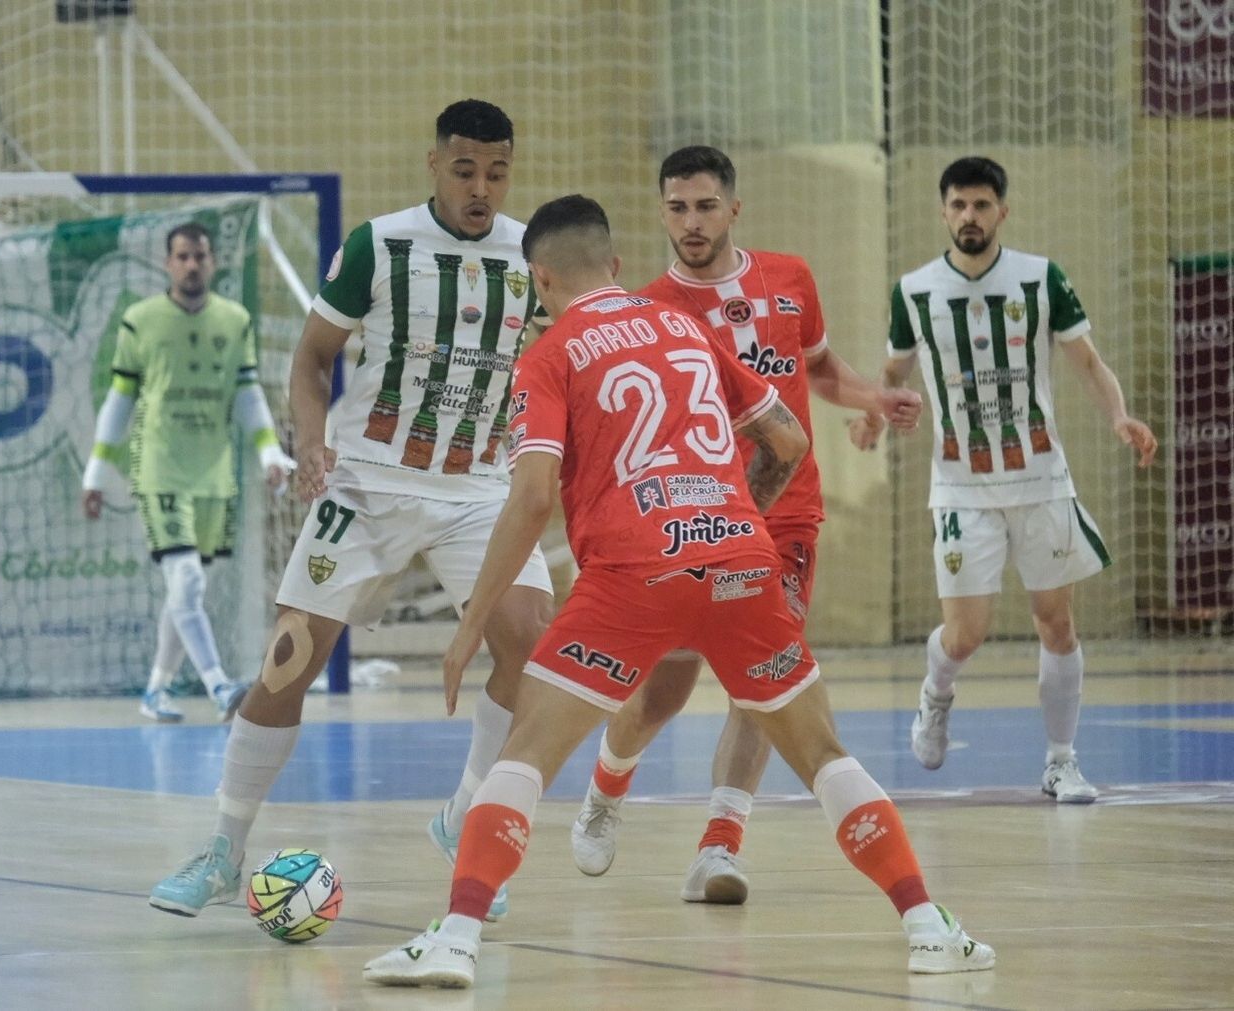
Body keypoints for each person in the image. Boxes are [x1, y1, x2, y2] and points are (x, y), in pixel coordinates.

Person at [364, 194, 995, 988]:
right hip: (740, 558)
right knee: (825, 755)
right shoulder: (686, 326)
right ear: (619, 266)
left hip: (631, 571)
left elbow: (530, 497)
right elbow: (792, 440)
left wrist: (469, 628)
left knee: (523, 757)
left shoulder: (551, 353)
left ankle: (455, 938)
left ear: (540, 278)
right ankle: (929, 925)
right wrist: (734, 516)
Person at [147, 99, 553, 921]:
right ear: (434, 164)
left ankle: (464, 817)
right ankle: (225, 848)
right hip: (369, 480)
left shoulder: (531, 255)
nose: (483, 188)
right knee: (289, 658)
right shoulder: (378, 244)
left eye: (498, 172)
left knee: (534, 655)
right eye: (467, 170)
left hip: (478, 490)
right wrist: (311, 443)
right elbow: (312, 360)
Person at [567, 146, 923, 904]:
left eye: (703, 206)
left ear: (734, 208)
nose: (690, 222)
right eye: (676, 207)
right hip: (689, 515)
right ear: (661, 211)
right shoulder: (647, 307)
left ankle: (719, 848)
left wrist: (871, 400)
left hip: (784, 511)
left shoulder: (789, 278)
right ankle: (604, 791)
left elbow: (818, 368)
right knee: (662, 693)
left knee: (761, 683)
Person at [848, 156, 1156, 802]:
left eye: (981, 205)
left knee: (1057, 623)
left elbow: (1089, 361)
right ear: (943, 212)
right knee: (965, 634)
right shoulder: (914, 291)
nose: (969, 216)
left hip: (1042, 478)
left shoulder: (1041, 280)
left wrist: (1120, 415)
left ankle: (1061, 760)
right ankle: (936, 693)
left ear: (1002, 212)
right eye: (958, 205)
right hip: (962, 485)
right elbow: (894, 374)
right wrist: (876, 416)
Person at [82, 222, 294, 723]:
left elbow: (247, 394)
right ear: (167, 263)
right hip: (159, 469)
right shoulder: (140, 320)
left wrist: (268, 452)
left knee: (186, 591)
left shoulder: (235, 320)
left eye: (200, 255)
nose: (192, 264)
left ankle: (155, 690)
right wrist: (95, 472)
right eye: (182, 256)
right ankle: (220, 687)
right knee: (188, 584)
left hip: (214, 476)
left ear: (213, 261)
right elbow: (120, 398)